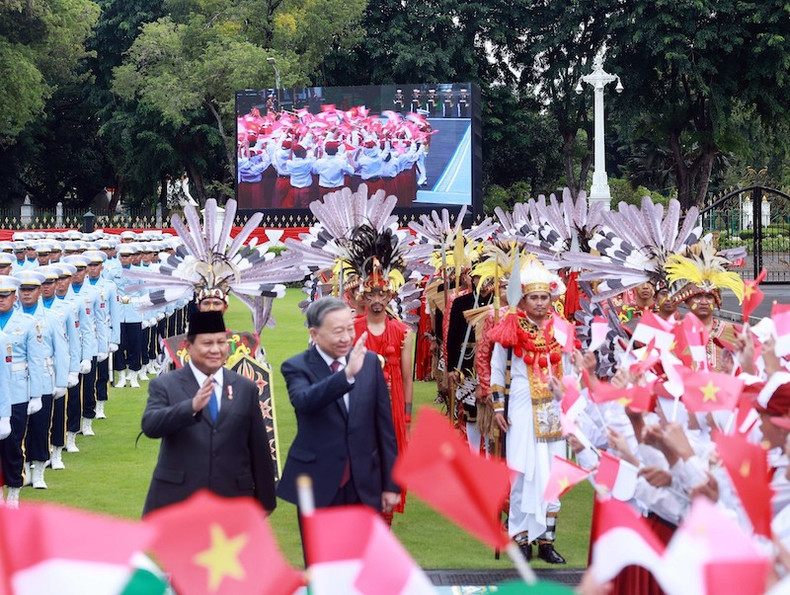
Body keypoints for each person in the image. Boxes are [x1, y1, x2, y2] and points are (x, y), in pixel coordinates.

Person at [140, 310, 276, 516]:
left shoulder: (245, 387)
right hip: (180, 501)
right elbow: (150, 425)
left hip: (233, 500)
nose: (215, 350)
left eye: (221, 343)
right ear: (187, 346)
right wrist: (191, 407)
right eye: (207, 343)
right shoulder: (166, 385)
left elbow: (259, 447)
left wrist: (266, 502)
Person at [278, 297, 400, 517]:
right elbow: (304, 401)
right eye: (337, 331)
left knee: (361, 552)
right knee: (321, 552)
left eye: (349, 329)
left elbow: (384, 428)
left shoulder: (370, 362)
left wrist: (390, 483)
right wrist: (346, 375)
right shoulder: (297, 366)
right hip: (317, 484)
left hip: (363, 484)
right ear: (314, 334)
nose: (346, 338)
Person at [490, 260, 568, 564]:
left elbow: (570, 369)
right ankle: (520, 538)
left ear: (551, 298)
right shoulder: (510, 327)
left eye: (543, 297)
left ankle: (547, 542)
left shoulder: (561, 329)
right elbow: (498, 369)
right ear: (523, 299)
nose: (539, 303)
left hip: (553, 406)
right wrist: (498, 407)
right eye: (533, 297)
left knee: (552, 472)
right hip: (520, 402)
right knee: (522, 470)